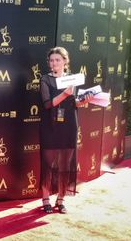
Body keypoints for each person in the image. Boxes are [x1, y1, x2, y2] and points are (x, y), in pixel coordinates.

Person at [39, 47, 93, 214]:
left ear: (65, 61)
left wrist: (82, 102)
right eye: (51, 60)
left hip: (69, 125)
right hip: (50, 126)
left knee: (65, 165)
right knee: (48, 164)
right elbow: (48, 104)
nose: (54, 63)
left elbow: (73, 102)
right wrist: (64, 94)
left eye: (57, 60)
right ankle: (46, 199)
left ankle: (60, 200)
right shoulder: (45, 80)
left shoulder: (72, 79)